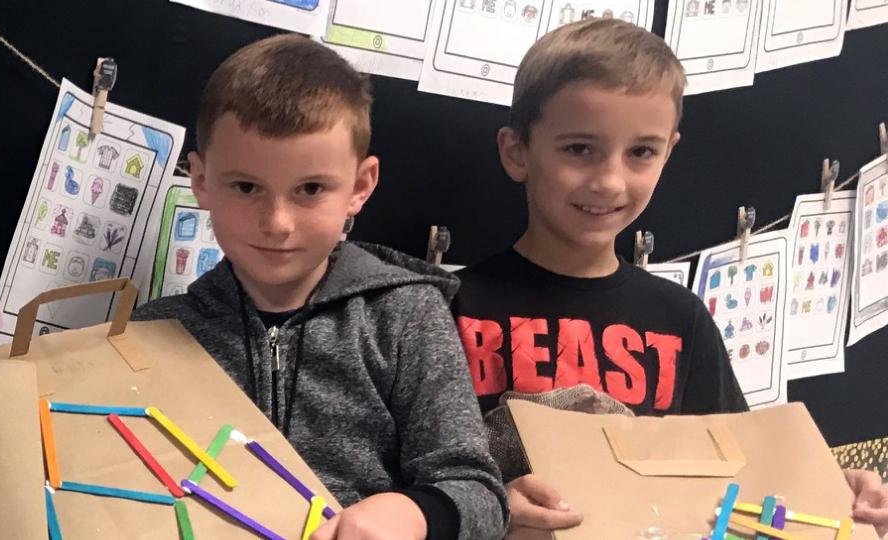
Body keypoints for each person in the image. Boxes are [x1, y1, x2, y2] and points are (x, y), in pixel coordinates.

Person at [450, 17, 888, 534]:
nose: (610, 181)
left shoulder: (680, 318)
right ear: (516, 151)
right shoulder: (450, 307)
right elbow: (413, 483)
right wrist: (486, 510)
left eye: (641, 152)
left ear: (669, 152)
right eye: (578, 148)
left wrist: (834, 490)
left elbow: (737, 480)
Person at [134, 34, 506, 539]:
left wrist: (415, 514)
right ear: (200, 181)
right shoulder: (153, 334)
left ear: (359, 186)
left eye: (310, 189)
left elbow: (479, 493)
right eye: (246, 187)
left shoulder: (406, 315)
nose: (278, 222)